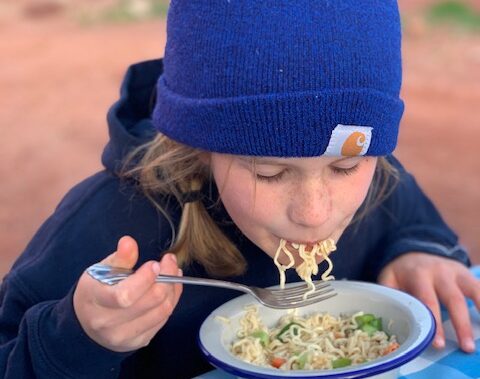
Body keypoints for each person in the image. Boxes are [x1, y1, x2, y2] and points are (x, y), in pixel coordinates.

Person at [1, 0, 478, 378]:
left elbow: (413, 221)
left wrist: (419, 250)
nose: (314, 213)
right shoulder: (109, 222)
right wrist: (79, 337)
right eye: (269, 174)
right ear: (201, 146)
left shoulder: (381, 184)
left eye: (346, 167)